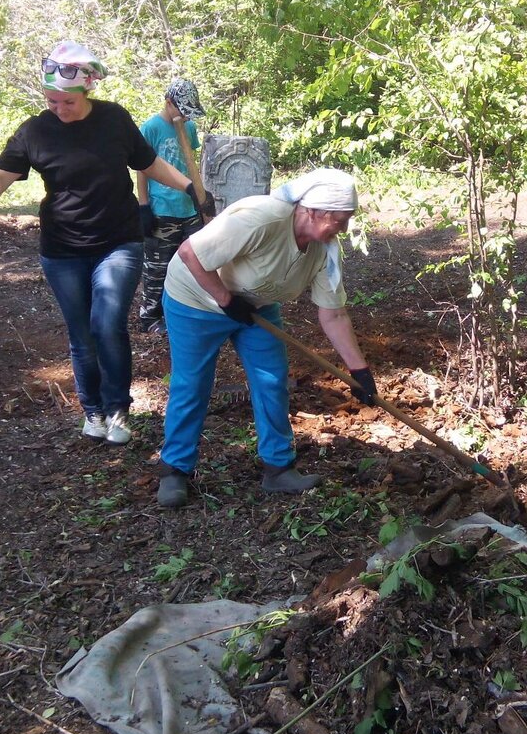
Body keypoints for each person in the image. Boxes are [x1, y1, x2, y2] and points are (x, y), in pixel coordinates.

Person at [0, 40, 215, 445]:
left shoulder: (114, 119)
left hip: (118, 241)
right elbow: (2, 172)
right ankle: (92, 411)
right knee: (81, 332)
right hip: (62, 250)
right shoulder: (35, 131)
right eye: (51, 101)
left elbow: (147, 162)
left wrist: (190, 187)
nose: (59, 110)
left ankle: (117, 410)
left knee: (107, 324)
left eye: (67, 102)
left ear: (87, 90)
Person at [155, 168, 379, 508]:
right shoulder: (261, 219)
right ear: (314, 210)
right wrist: (225, 300)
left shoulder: (323, 250)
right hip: (195, 300)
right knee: (193, 382)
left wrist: (359, 372)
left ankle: (278, 468)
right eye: (340, 219)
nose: (344, 229)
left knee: (272, 380)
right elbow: (190, 253)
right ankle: (175, 471)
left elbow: (333, 314)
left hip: (256, 308)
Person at [135, 79, 209, 334]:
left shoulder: (189, 128)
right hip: (162, 208)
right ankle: (150, 317)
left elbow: (191, 162)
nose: (186, 117)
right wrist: (144, 206)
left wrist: (199, 194)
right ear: (168, 103)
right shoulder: (151, 128)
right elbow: (142, 169)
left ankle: (186, 310)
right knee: (158, 265)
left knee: (195, 260)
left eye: (190, 113)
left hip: (187, 207)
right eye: (183, 110)